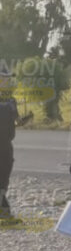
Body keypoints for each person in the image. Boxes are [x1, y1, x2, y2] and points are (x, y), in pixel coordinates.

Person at [0, 69, 17, 219]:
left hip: (6, 145)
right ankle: (4, 212)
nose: (7, 81)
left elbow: (17, 121)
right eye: (3, 78)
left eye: (7, 79)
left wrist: (26, 119)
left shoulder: (11, 100)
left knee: (4, 177)